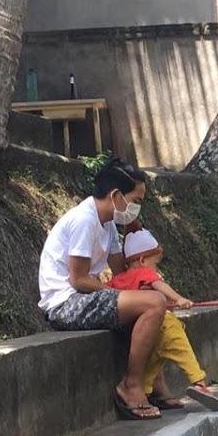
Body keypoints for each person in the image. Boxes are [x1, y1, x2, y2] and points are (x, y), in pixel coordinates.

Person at [38, 158, 167, 421]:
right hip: (65, 304)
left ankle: (155, 386)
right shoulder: (84, 220)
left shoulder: (108, 223)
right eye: (136, 201)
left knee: (153, 303)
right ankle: (130, 387)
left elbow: (121, 272)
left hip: (85, 297)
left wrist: (148, 283)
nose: (137, 208)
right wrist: (133, 295)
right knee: (154, 304)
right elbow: (79, 279)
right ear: (116, 196)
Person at [109, 229, 218, 412]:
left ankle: (145, 390)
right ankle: (199, 382)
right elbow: (159, 285)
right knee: (180, 346)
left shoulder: (117, 279)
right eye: (155, 264)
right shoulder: (143, 273)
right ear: (142, 260)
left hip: (138, 327)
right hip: (162, 325)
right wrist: (179, 299)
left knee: (154, 359)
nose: (156, 271)